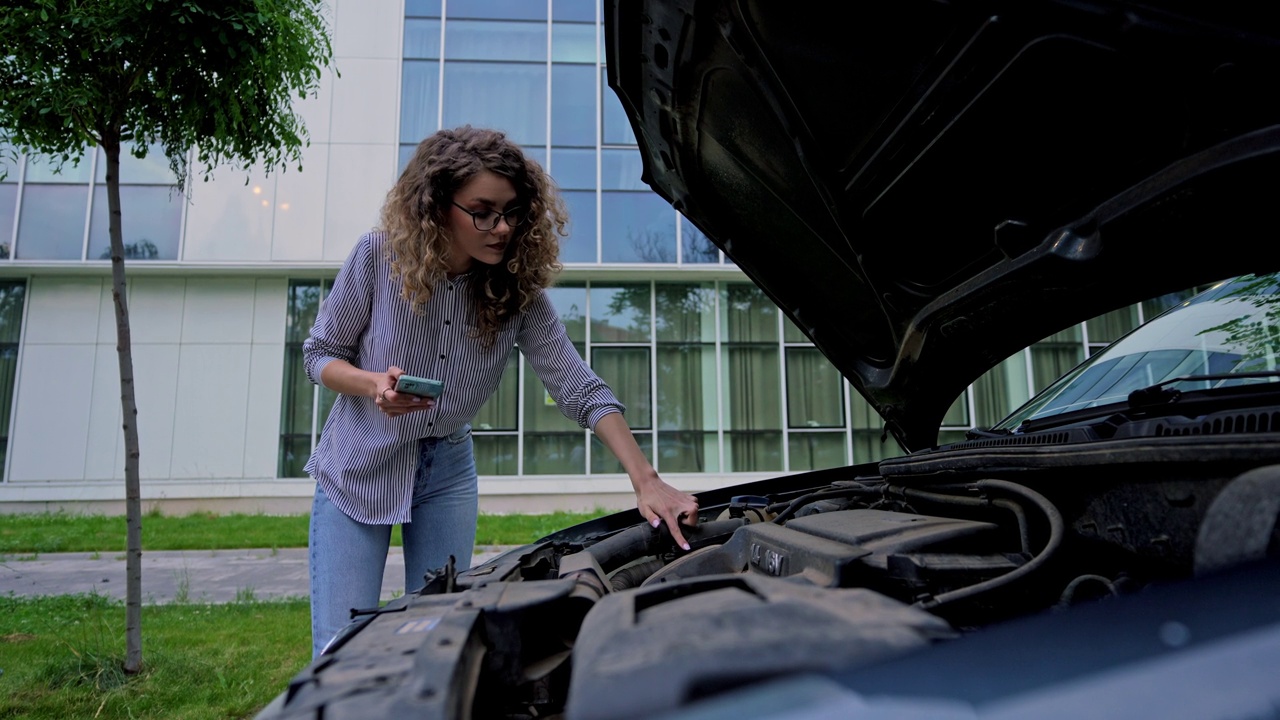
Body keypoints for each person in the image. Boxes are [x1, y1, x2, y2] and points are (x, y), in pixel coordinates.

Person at [302, 125, 700, 658]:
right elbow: (319, 354)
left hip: (446, 473)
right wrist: (372, 383)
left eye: (512, 212)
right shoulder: (379, 256)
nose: (501, 228)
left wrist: (646, 480)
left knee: (439, 645)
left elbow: (576, 385)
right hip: (358, 461)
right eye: (483, 211)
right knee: (340, 650)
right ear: (439, 205)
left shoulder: (517, 292)